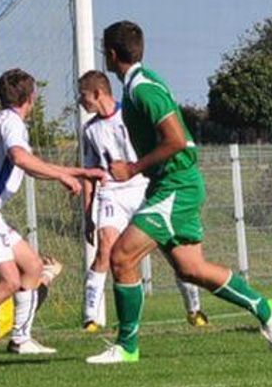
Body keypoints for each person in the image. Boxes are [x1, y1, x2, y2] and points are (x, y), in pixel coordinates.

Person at [87, 21, 272, 364]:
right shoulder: (138, 84)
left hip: (176, 185)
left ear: (110, 53)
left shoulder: (142, 89)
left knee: (121, 257)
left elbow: (177, 139)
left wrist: (132, 169)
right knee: (192, 269)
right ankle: (267, 309)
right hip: (171, 184)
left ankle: (127, 347)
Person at [0, 68, 105, 360]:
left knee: (31, 266)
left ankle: (21, 339)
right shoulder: (12, 123)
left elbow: (30, 162)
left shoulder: (3, 121)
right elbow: (21, 159)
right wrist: (66, 176)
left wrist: (77, 173)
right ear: (31, 98)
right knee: (9, 281)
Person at [77, 69, 209, 331]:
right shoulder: (89, 130)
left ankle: (194, 309)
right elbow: (89, 175)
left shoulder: (131, 114)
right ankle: (90, 317)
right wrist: (88, 214)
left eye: (83, 97)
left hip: (142, 186)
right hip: (111, 192)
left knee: (174, 252)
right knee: (106, 249)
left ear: (97, 93)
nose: (81, 103)